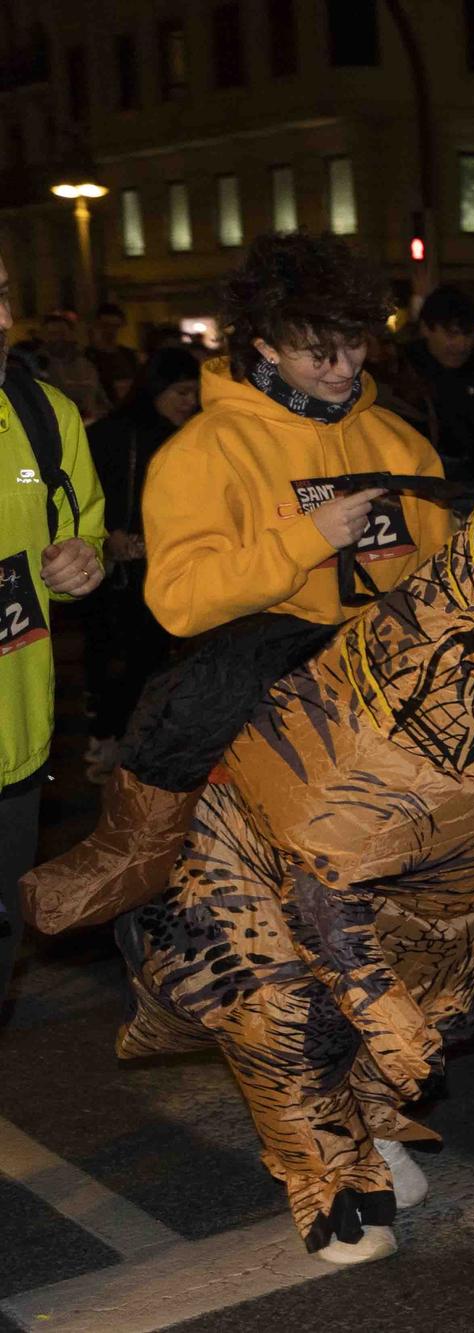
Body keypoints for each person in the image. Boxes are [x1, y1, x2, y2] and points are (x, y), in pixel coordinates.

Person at [23, 231, 451, 936]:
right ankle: (128, 851)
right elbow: (180, 601)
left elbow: (441, 568)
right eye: (320, 350)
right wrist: (310, 537)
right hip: (255, 678)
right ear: (266, 347)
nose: (344, 366)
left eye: (354, 344)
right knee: (190, 707)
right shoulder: (204, 449)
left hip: (387, 672)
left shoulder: (400, 444)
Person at [0, 251, 106, 1013]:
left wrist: (83, 560)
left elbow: (82, 533)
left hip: (16, 744)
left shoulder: (45, 414)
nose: (5, 322)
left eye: (2, 296)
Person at [81, 346, 201, 780]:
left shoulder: (195, 434)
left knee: (151, 659)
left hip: (173, 566)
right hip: (123, 572)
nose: (189, 402)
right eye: (181, 392)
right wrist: (108, 535)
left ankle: (133, 745)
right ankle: (110, 740)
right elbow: (80, 493)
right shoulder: (113, 434)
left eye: (195, 393)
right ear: (156, 388)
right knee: (125, 658)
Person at [399, 285, 474, 478]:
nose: (461, 344)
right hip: (416, 474)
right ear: (426, 329)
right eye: (451, 334)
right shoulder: (404, 367)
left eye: (468, 335)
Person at [26, 310, 110, 422]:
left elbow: (101, 400)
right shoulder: (35, 366)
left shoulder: (87, 366)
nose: (56, 338)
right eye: (51, 333)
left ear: (71, 334)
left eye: (61, 333)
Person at [86, 302, 144, 405]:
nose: (110, 331)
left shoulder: (129, 355)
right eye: (105, 325)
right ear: (96, 325)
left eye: (115, 326)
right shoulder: (87, 356)